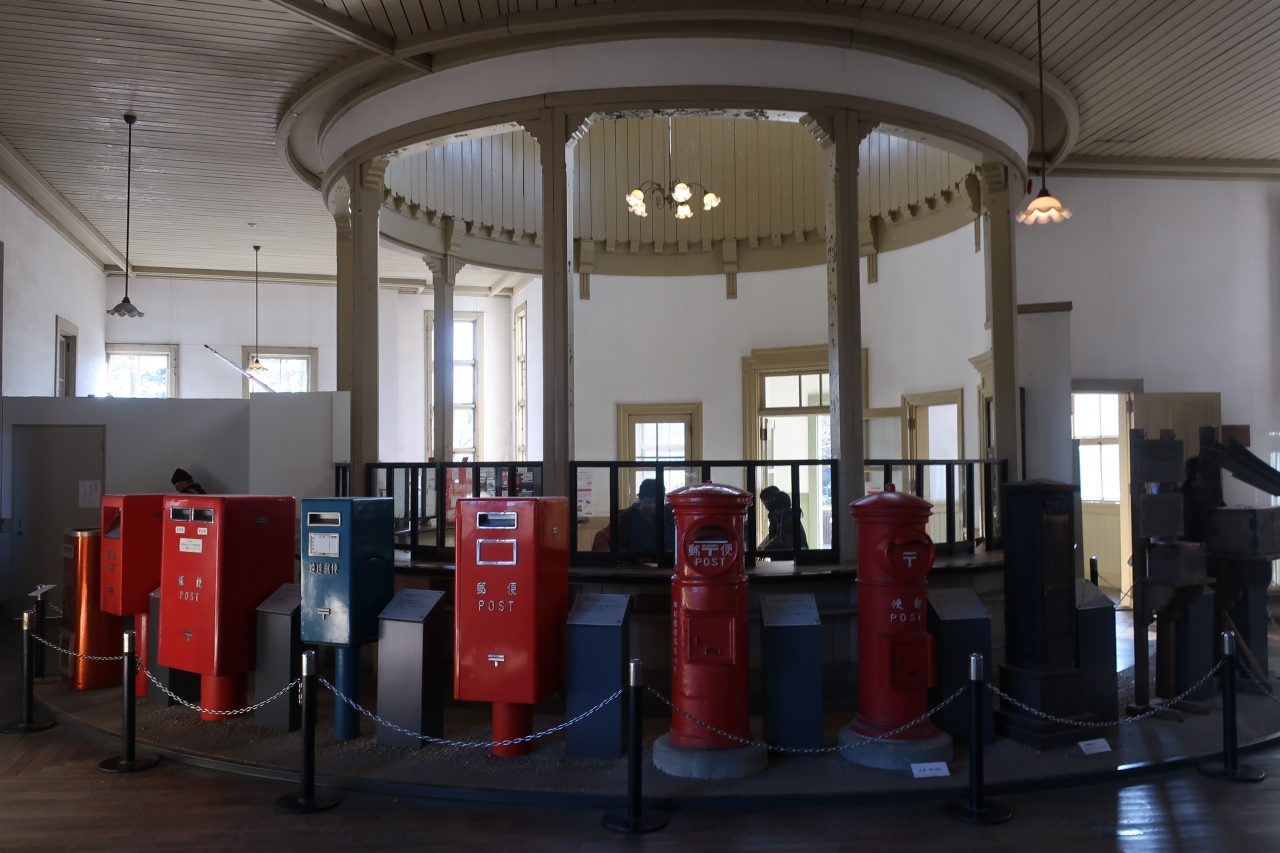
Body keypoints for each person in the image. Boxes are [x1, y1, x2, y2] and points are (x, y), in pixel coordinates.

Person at [591, 478, 674, 556]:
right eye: (649, 502)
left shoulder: (670, 514)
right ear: (640, 498)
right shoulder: (629, 516)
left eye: (658, 502)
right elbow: (601, 536)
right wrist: (633, 555)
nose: (653, 506)